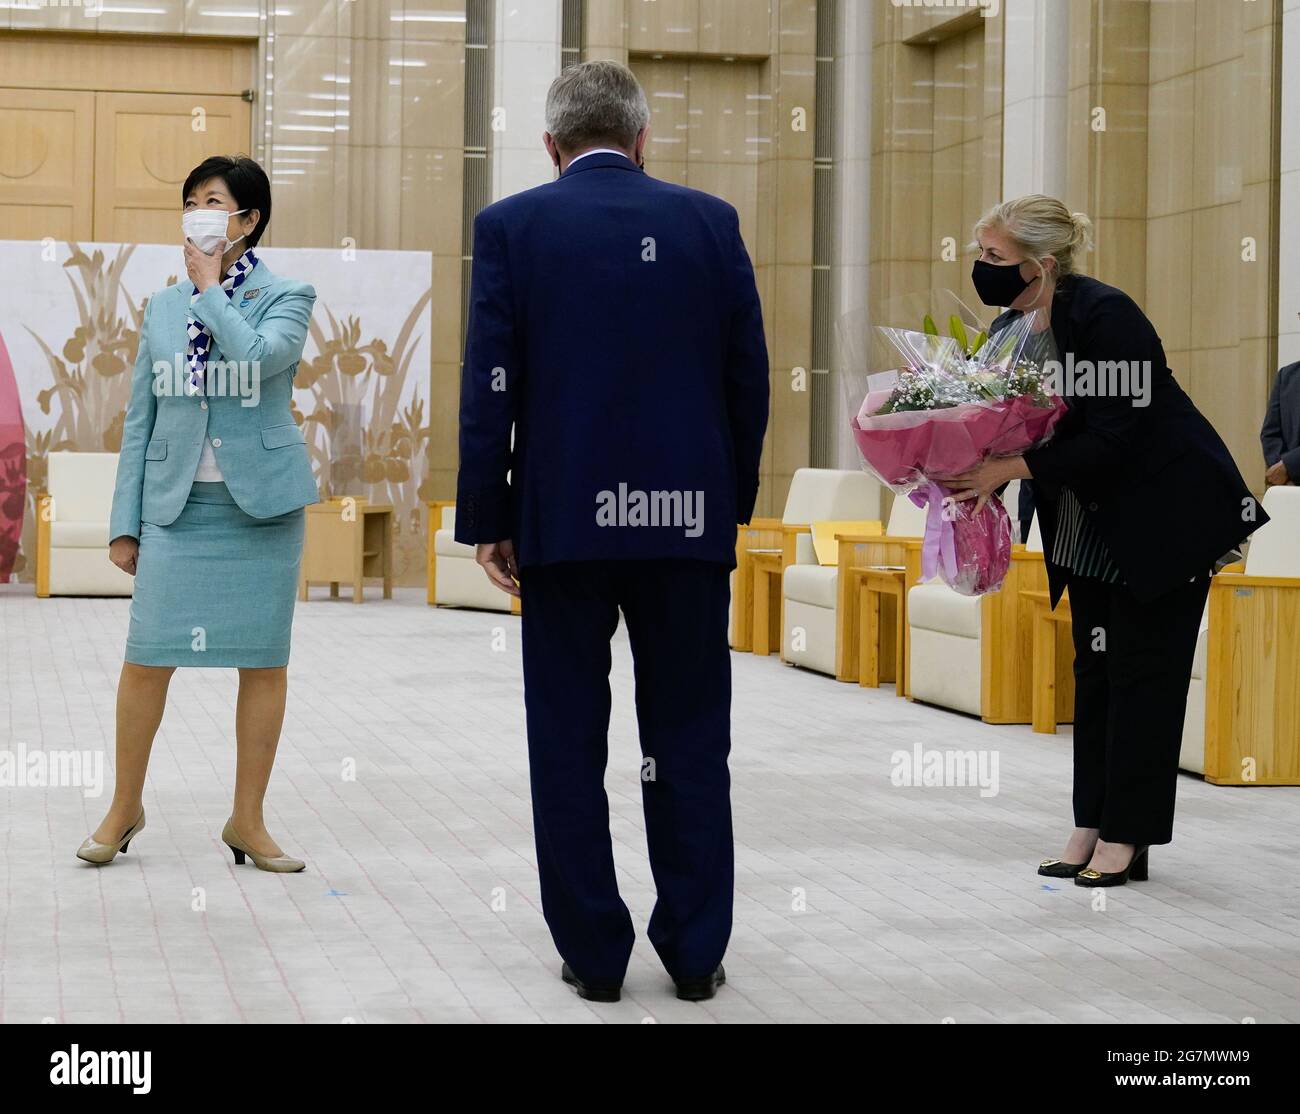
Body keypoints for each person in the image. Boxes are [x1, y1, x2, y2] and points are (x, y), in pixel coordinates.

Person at [455, 61, 769, 1000]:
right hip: (685, 530)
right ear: (643, 140)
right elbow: (748, 381)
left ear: (551, 148)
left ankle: (594, 958)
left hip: (562, 527)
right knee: (688, 739)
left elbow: (490, 384)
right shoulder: (711, 223)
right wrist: (729, 506)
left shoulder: (511, 226)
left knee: (565, 740)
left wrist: (488, 517)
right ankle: (696, 951)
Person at [945, 195, 1266, 888]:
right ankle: (1090, 820)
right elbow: (1012, 426)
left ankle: (1129, 835)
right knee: (1094, 676)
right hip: (1087, 521)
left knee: (1142, 678)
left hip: (1162, 519)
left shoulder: (1105, 314)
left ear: (1043, 263)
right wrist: (972, 473)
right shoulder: (1014, 328)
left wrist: (1010, 467)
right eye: (982, 254)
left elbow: (1119, 433)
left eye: (996, 258)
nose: (983, 269)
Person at [78, 155, 319, 874]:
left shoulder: (288, 295)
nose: (197, 213)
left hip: (262, 511)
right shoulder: (161, 307)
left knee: (263, 664)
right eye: (189, 201)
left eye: (212, 201)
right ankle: (125, 807)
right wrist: (126, 522)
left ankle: (247, 820)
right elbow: (141, 419)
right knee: (147, 658)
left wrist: (212, 288)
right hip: (177, 510)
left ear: (249, 219)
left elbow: (257, 360)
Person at [1261, 355, 1300, 488]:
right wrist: (1283, 477)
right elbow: (1270, 433)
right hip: (1288, 489)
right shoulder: (1286, 376)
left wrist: (1289, 466)